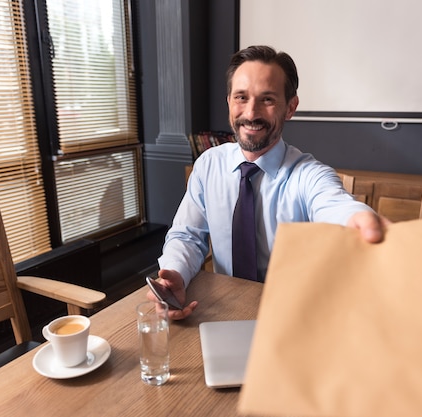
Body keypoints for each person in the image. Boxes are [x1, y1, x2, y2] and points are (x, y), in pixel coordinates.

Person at [149, 45, 389, 319]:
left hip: (293, 319)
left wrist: (357, 219)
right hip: (225, 309)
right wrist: (175, 275)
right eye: (241, 97)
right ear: (229, 101)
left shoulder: (308, 174)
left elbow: (334, 203)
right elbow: (188, 236)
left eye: (268, 100)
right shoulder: (208, 164)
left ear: (290, 107)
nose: (251, 113)